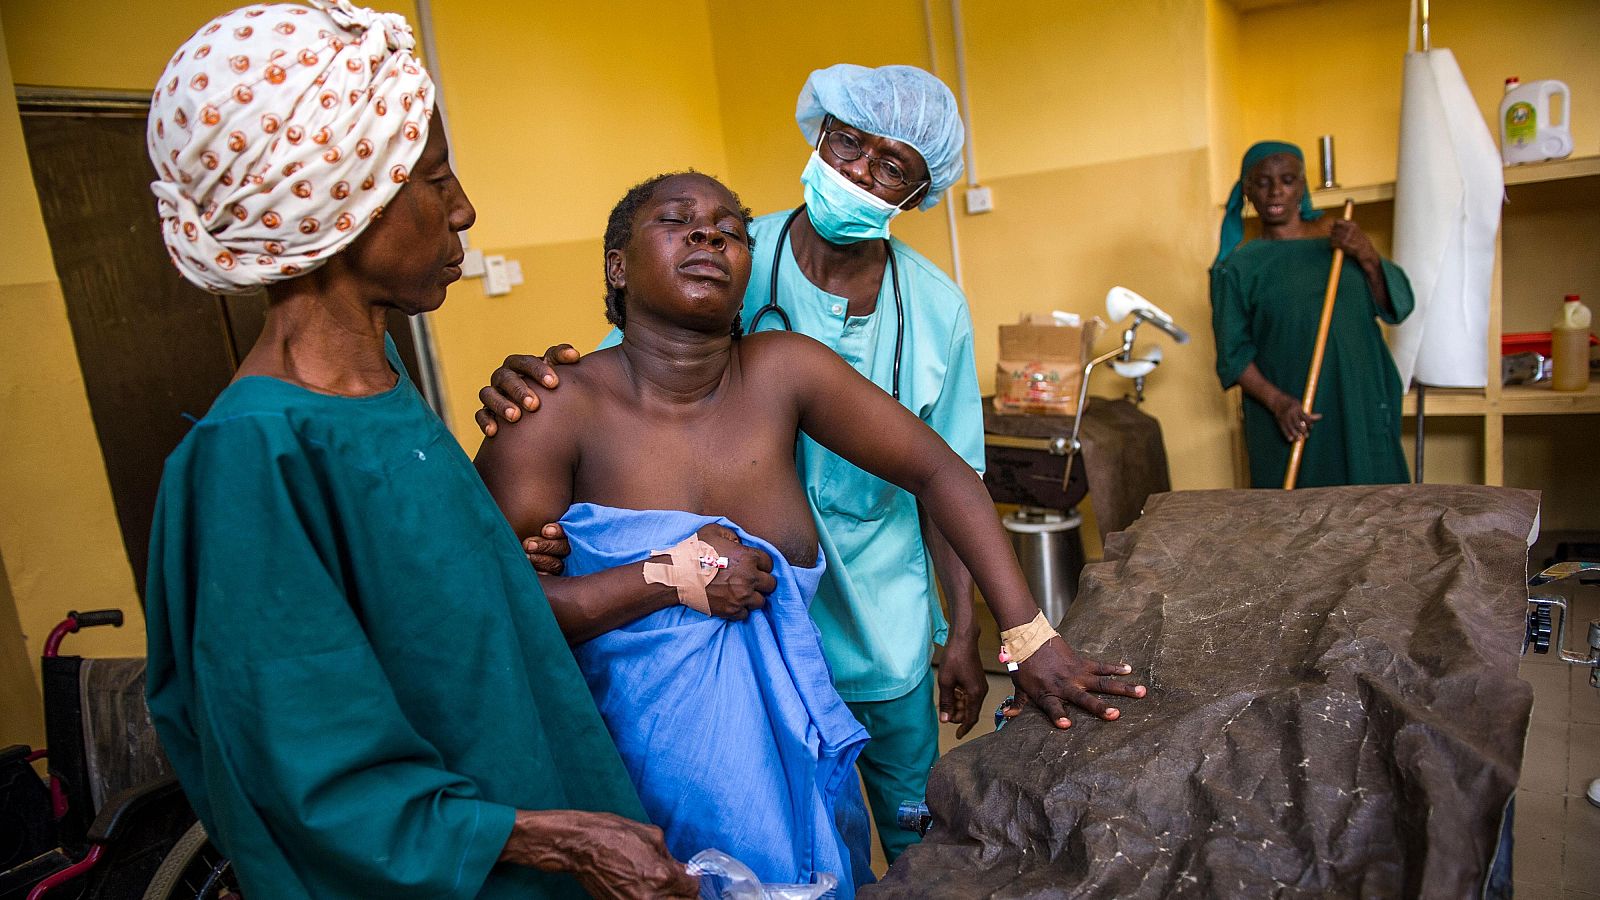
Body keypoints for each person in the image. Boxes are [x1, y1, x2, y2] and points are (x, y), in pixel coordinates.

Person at [140, 4, 697, 897]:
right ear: (338, 207)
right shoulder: (252, 457)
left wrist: (491, 563)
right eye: (434, 181)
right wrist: (559, 840)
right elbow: (307, 776)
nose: (463, 207)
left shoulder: (380, 384)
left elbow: (407, 613)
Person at [473, 171, 1144, 891]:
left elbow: (941, 471)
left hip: (801, 773)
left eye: (730, 231)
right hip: (637, 787)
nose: (708, 235)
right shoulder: (550, 412)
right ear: (617, 266)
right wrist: (667, 577)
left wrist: (1028, 636)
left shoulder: (781, 372)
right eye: (677, 221)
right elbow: (495, 611)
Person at [477, 64, 992, 862]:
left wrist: (967, 624)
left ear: (918, 194)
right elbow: (637, 371)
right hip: (724, 612)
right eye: (847, 143)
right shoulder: (738, 255)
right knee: (768, 828)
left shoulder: (933, 308)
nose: (859, 171)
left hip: (883, 622)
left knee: (912, 829)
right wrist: (538, 387)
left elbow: (946, 474)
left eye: (891, 167)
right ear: (819, 137)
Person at [1210, 140, 1416, 489]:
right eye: (1263, 182)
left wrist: (1367, 254)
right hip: (1294, 416)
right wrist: (1279, 404)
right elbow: (1233, 356)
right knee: (1300, 512)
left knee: (1376, 505)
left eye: (1287, 180)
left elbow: (1397, 307)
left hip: (1361, 401)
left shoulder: (1343, 244)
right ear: (1247, 190)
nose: (1276, 191)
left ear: (1302, 186)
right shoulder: (1237, 268)